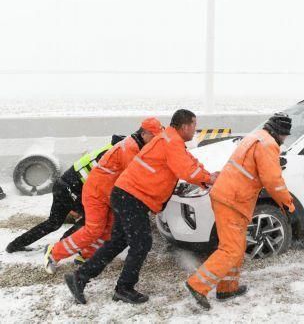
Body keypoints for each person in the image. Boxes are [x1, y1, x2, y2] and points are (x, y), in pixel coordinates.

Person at [64, 109, 218, 305]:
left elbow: (189, 163)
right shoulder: (171, 142)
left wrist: (208, 177)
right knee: (142, 243)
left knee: (118, 241)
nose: (195, 130)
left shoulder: (170, 139)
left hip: (126, 194)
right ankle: (124, 288)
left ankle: (79, 277)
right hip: (131, 197)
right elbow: (185, 169)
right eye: (194, 126)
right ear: (186, 126)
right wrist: (207, 178)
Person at [185, 112, 295, 310]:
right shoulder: (268, 144)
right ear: (279, 132)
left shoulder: (255, 137)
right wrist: (287, 203)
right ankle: (197, 285)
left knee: (235, 244)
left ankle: (227, 287)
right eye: (285, 136)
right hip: (233, 199)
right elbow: (273, 181)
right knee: (231, 249)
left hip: (228, 196)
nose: (285, 139)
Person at [44, 118, 163, 274]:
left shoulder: (136, 145)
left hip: (110, 195)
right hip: (97, 193)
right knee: (93, 229)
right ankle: (54, 252)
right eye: (155, 136)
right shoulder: (130, 149)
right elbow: (138, 178)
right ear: (145, 133)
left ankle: (85, 255)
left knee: (108, 230)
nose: (156, 140)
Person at [5, 136, 123, 253]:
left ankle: (15, 245)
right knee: (91, 220)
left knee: (53, 223)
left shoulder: (109, 149)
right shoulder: (112, 156)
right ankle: (61, 247)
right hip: (73, 189)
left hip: (62, 185)